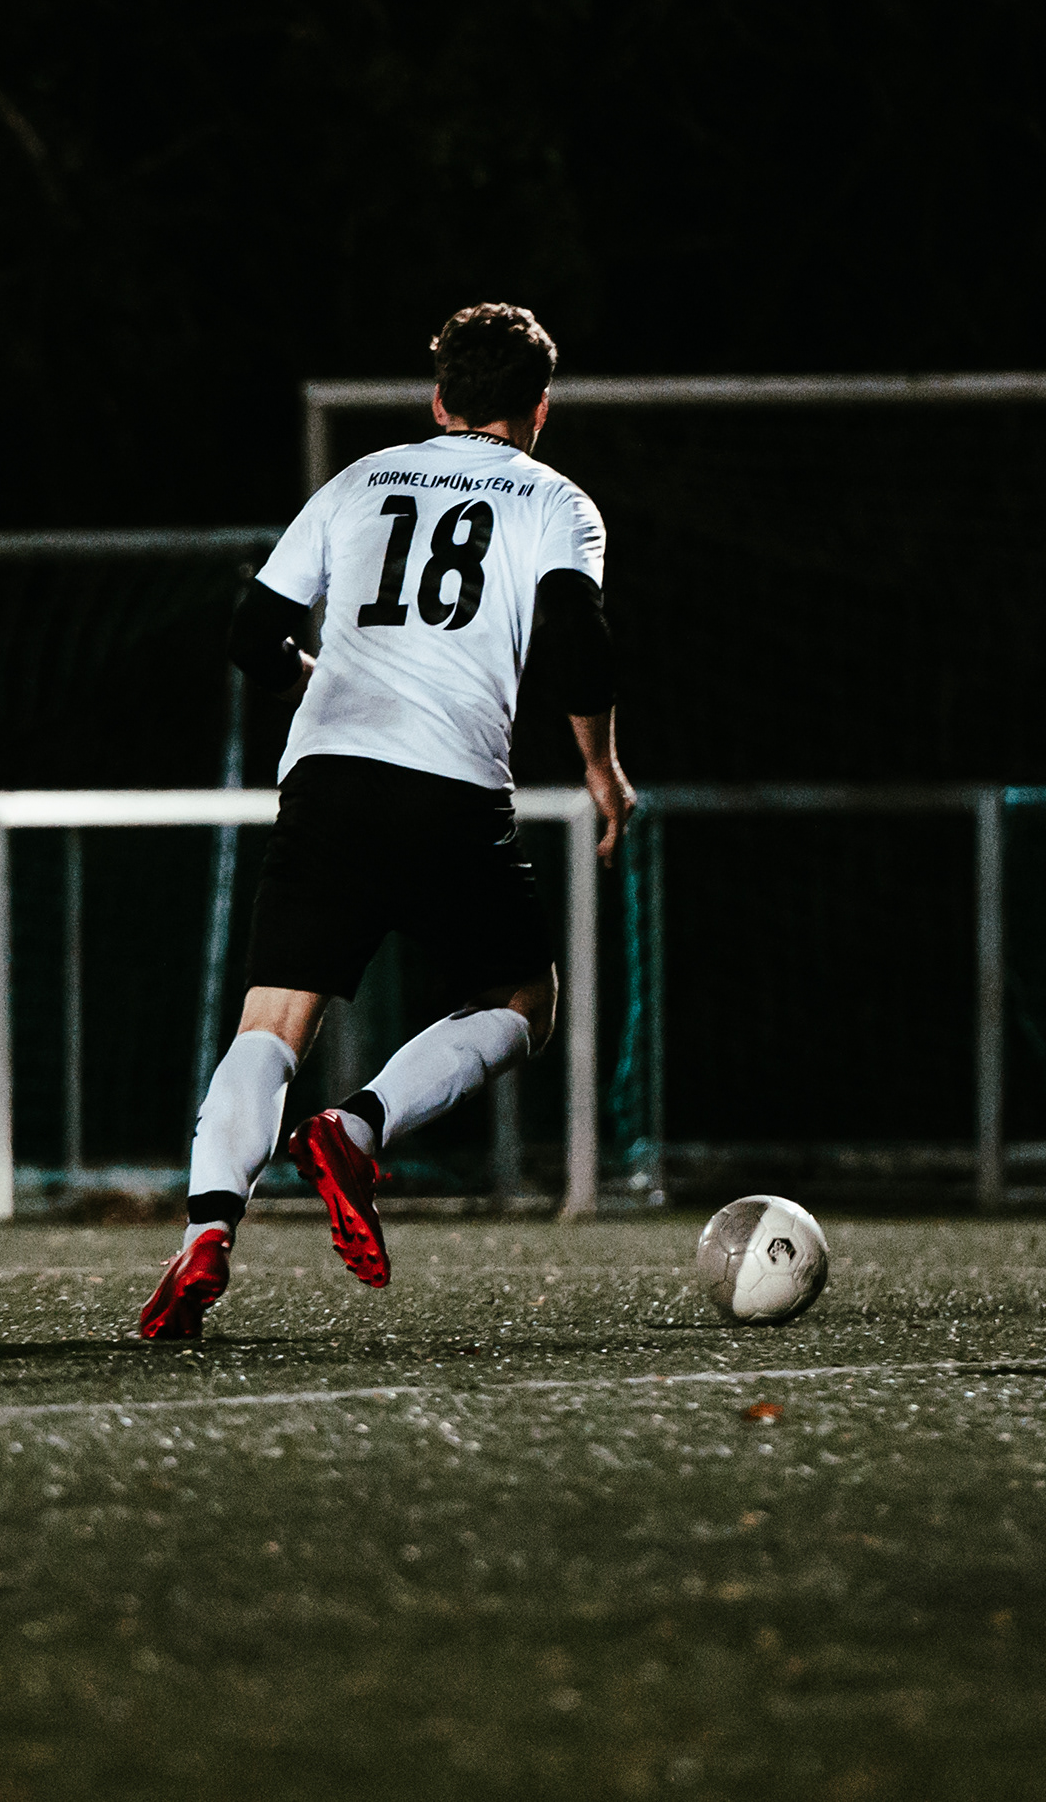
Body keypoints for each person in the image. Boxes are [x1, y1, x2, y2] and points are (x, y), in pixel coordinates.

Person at [139, 302, 633, 1343]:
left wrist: (313, 677)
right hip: (450, 785)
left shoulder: (359, 479)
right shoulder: (558, 501)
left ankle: (206, 1227)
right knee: (523, 999)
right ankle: (359, 1125)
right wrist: (601, 767)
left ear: (439, 399)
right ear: (540, 408)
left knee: (272, 1022)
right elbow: (580, 643)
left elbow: (252, 634)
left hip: (327, 778)